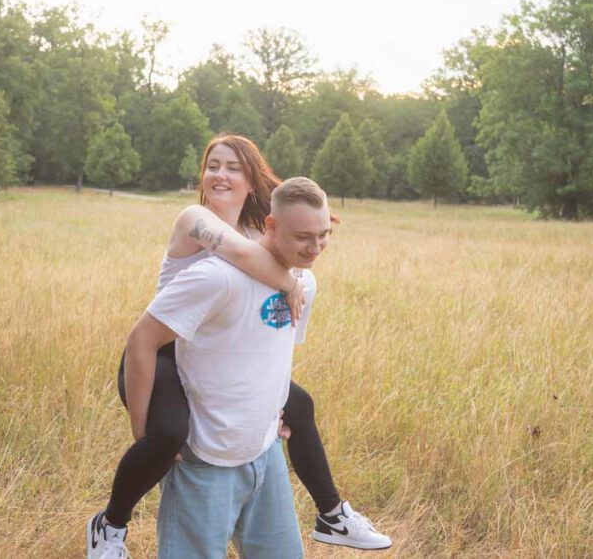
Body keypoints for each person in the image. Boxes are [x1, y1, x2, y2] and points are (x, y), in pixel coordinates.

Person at [85, 136, 391, 558]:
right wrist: (288, 280)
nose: (220, 175)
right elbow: (243, 254)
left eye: (233, 168)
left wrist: (267, 406)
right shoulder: (198, 220)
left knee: (296, 404)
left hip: (218, 349)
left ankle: (332, 512)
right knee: (169, 433)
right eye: (213, 165)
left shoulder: (255, 229)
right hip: (165, 352)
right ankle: (112, 526)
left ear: (252, 179)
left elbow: (263, 266)